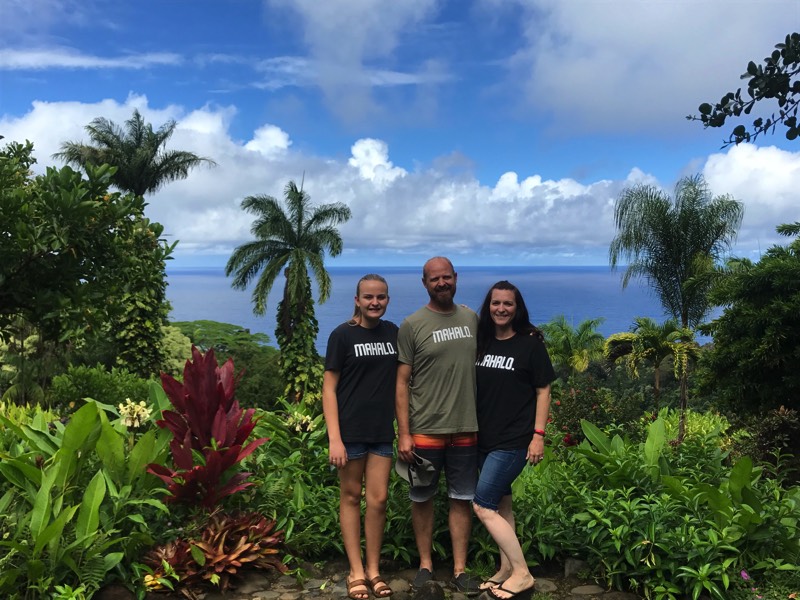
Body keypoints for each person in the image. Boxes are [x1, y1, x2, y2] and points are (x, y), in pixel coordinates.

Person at [395, 256, 481, 596]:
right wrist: (404, 433)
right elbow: (401, 382)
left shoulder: (471, 318)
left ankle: (460, 569)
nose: (442, 283)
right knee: (422, 498)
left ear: (456, 278)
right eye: (435, 279)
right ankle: (425, 565)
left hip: (465, 428)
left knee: (462, 499)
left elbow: (502, 337)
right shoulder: (412, 324)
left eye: (446, 277)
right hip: (424, 429)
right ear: (425, 283)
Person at [472, 281, 555, 600]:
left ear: (517, 308)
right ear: (488, 306)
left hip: (514, 440)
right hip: (484, 438)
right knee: (502, 505)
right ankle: (506, 569)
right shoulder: (482, 340)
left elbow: (543, 390)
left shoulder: (529, 345)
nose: (501, 309)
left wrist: (538, 436)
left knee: (483, 505)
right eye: (496, 303)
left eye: (508, 303)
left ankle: (522, 574)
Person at [323, 274, 399, 600]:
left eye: (380, 297)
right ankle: (355, 571)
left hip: (381, 431)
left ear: (387, 300)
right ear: (357, 300)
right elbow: (329, 388)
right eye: (368, 297)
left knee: (378, 500)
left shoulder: (394, 333)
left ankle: (373, 569)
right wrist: (334, 438)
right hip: (350, 432)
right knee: (352, 496)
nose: (374, 302)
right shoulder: (342, 335)